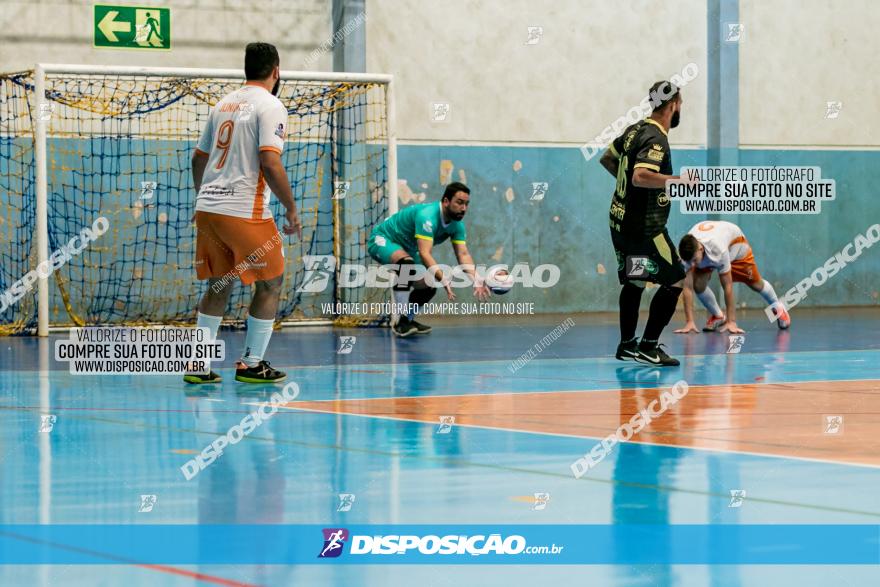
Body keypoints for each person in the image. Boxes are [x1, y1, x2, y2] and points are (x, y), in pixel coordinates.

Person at [185, 42, 301, 384]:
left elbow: (197, 158)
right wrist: (291, 208)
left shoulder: (223, 104)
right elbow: (270, 160)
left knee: (220, 283)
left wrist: (204, 198)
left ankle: (198, 365)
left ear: (246, 68)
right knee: (272, 282)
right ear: (277, 71)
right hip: (244, 211)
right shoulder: (271, 105)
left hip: (209, 210)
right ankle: (252, 363)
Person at [599, 81, 687, 366]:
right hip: (645, 229)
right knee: (676, 280)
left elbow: (607, 159)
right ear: (673, 104)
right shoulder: (656, 138)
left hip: (620, 221)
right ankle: (649, 346)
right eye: (680, 104)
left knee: (636, 279)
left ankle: (627, 345)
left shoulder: (634, 129)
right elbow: (640, 176)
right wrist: (676, 181)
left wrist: (629, 191)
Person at [367, 182, 490, 337]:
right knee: (406, 266)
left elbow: (463, 254)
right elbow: (425, 254)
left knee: (429, 286)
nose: (464, 208)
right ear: (446, 201)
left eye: (466, 204)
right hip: (383, 239)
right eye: (459, 202)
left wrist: (476, 278)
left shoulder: (457, 226)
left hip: (409, 249)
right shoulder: (427, 216)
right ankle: (399, 323)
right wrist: (443, 278)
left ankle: (407, 319)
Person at [675, 220, 791, 333]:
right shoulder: (688, 254)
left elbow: (727, 286)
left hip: (736, 247)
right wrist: (689, 322)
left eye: (694, 260)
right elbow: (687, 287)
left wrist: (732, 322)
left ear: (700, 249)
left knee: (755, 284)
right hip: (710, 249)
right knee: (698, 284)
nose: (692, 265)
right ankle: (718, 316)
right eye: (690, 262)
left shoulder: (718, 250)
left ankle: (779, 308)